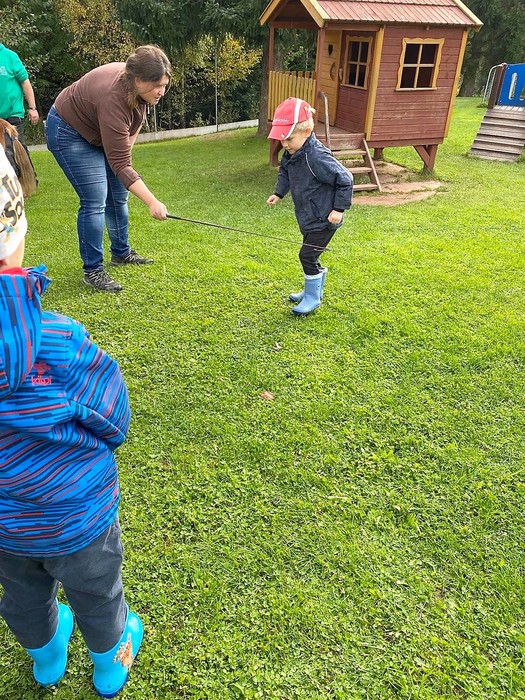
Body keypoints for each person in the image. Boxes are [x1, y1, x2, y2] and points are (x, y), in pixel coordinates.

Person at [0, 142, 143, 697]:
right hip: (78, 516)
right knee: (99, 596)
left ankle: (46, 658)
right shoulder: (58, 340)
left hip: (7, 528)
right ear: (14, 232)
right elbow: (112, 415)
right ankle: (110, 663)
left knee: (23, 598)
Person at [45, 45, 171, 292]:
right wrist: (152, 202)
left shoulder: (141, 92)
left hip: (98, 129)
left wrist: (122, 166)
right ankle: (93, 271)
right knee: (95, 199)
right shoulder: (113, 98)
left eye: (165, 85)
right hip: (68, 131)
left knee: (118, 194)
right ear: (137, 79)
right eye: (157, 85)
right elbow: (121, 164)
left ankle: (121, 253)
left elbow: (128, 141)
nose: (161, 92)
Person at [266, 97, 353, 315]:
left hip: (324, 219)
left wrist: (338, 209)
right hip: (308, 216)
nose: (285, 144)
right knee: (311, 255)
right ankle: (312, 290)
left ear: (306, 132)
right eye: (282, 139)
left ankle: (312, 298)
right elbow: (285, 171)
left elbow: (345, 179)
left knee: (306, 256)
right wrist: (279, 193)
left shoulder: (316, 156)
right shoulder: (292, 153)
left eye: (289, 139)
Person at [0, 43, 39, 181]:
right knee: (3, 151)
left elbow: (25, 82)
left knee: (14, 148)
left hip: (13, 113)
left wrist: (32, 108)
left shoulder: (9, 56)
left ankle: (26, 180)